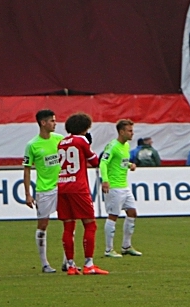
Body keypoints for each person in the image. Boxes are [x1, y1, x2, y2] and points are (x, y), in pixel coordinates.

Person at [57, 113, 106, 275]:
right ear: (84, 128)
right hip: (78, 187)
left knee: (68, 226)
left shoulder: (61, 143)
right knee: (90, 224)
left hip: (62, 186)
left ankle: (71, 266)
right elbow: (95, 162)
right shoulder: (81, 140)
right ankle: (89, 264)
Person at [23, 109, 64, 273]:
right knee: (43, 225)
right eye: (52, 121)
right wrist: (27, 194)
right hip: (44, 190)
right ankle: (44, 263)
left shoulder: (60, 140)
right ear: (43, 123)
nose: (55, 123)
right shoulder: (32, 145)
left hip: (62, 187)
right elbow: (27, 170)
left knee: (69, 222)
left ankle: (67, 261)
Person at [101, 119, 142, 257]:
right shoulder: (113, 146)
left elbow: (120, 162)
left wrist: (129, 164)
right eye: (129, 131)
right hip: (114, 187)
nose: (132, 133)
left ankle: (126, 246)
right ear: (121, 132)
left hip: (124, 186)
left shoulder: (126, 146)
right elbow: (103, 163)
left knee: (132, 212)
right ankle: (108, 249)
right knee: (113, 216)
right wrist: (105, 181)